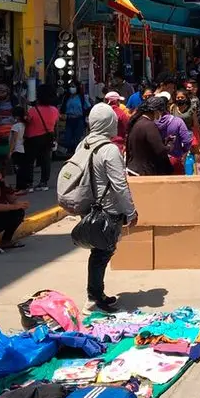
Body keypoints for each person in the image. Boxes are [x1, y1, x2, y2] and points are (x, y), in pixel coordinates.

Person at [77, 103, 137, 312]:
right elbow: (120, 184)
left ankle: (97, 293)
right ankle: (94, 299)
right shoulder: (110, 149)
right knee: (102, 253)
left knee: (99, 252)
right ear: (110, 123)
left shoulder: (84, 144)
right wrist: (130, 211)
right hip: (108, 210)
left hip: (89, 208)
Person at [23, 85, 59, 192]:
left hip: (33, 138)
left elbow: (27, 121)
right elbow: (55, 124)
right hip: (48, 137)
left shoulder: (33, 111)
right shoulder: (54, 110)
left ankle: (29, 183)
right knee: (45, 160)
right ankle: (43, 182)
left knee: (29, 161)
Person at [124, 96, 171, 176]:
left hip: (132, 169)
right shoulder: (149, 125)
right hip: (143, 172)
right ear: (155, 111)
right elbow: (160, 151)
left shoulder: (137, 122)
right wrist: (170, 145)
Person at [156, 99, 193, 175]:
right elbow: (187, 140)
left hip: (158, 162)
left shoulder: (151, 123)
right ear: (168, 107)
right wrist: (183, 151)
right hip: (175, 159)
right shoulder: (177, 121)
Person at [61, 80, 91, 154]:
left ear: (77, 87)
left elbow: (88, 108)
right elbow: (63, 108)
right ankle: (70, 152)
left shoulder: (82, 97)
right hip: (69, 119)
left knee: (78, 139)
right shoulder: (66, 97)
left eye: (73, 86)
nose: (72, 88)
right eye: (70, 86)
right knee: (67, 138)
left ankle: (77, 153)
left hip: (79, 120)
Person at [8, 106, 28, 191]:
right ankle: (24, 185)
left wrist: (10, 151)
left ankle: (19, 186)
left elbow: (14, 140)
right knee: (23, 168)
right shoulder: (25, 125)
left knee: (18, 168)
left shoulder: (15, 126)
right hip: (23, 148)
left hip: (17, 149)